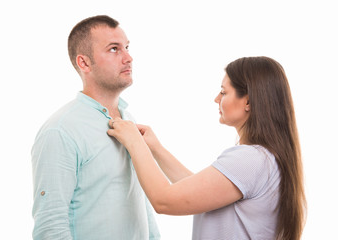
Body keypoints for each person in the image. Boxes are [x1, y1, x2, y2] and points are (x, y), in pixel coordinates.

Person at [107, 56, 307, 240]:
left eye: (223, 92)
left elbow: (164, 201)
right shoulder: (264, 158)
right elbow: (198, 192)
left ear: (247, 101)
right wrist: (156, 149)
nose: (216, 99)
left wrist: (133, 142)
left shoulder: (250, 159)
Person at [31, 15, 160, 240]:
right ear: (84, 63)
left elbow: (139, 201)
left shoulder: (128, 120)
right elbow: (50, 226)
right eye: (114, 49)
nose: (128, 58)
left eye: (127, 47)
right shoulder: (61, 131)